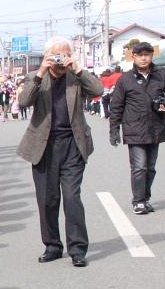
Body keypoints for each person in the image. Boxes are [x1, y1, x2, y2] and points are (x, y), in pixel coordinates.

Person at [17, 36, 104, 267]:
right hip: (43, 146)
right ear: (47, 56)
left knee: (72, 198)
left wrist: (77, 67)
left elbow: (98, 89)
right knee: (47, 200)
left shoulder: (75, 78)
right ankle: (52, 246)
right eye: (55, 54)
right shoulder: (36, 77)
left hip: (73, 145)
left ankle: (77, 249)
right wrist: (40, 72)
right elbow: (24, 101)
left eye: (64, 54)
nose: (59, 58)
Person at [108, 41, 165, 215]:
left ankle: (145, 198)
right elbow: (116, 106)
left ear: (152, 56)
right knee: (139, 167)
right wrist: (114, 130)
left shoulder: (160, 76)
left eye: (147, 54)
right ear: (134, 57)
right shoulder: (126, 79)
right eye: (140, 55)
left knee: (151, 168)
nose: (144, 58)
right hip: (134, 128)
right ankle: (138, 201)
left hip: (156, 127)